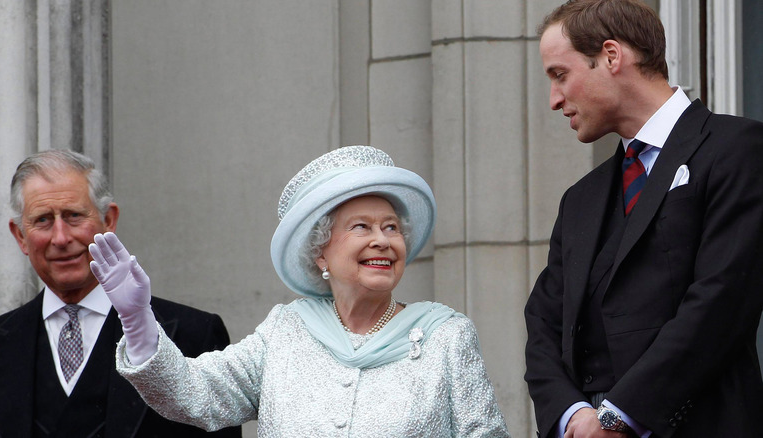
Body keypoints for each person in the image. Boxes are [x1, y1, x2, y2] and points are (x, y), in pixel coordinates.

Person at [88, 145, 510, 437]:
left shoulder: (447, 337)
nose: (382, 240)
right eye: (361, 227)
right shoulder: (285, 332)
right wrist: (138, 320)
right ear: (321, 253)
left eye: (392, 227)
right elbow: (197, 396)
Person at [524, 0, 763, 437]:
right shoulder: (581, 198)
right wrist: (575, 417)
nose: (555, 100)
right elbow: (543, 323)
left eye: (560, 75)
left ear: (612, 56)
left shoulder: (738, 149)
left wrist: (619, 415)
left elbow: (720, 301)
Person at [0, 149, 241, 437]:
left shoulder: (195, 337)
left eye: (74, 216)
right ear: (20, 236)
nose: (61, 237)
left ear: (109, 220)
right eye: (43, 219)